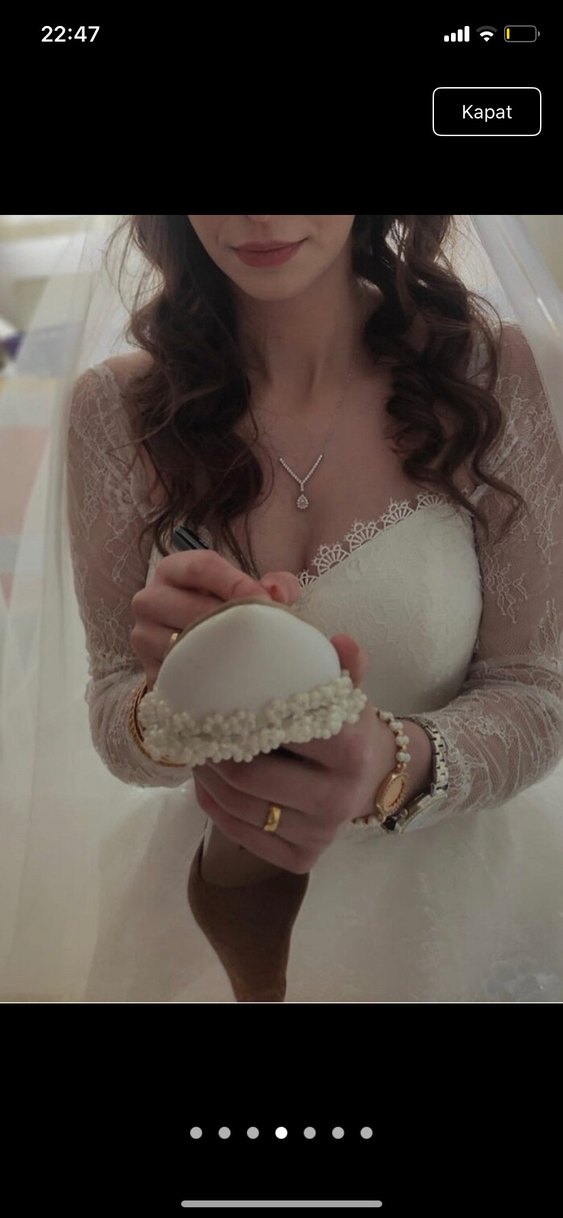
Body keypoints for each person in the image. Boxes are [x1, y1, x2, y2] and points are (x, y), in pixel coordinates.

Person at [1, 214, 563, 1002]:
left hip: (457, 927)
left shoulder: (496, 375)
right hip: (209, 922)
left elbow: (534, 690)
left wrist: (391, 763)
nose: (257, 217)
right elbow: (113, 714)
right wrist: (172, 698)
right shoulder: (116, 409)